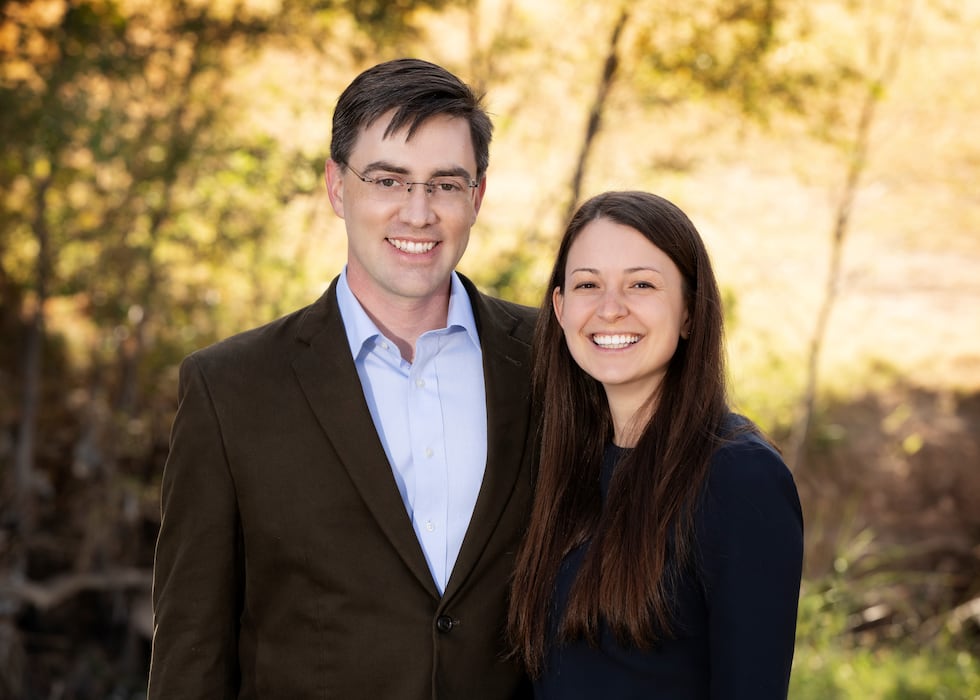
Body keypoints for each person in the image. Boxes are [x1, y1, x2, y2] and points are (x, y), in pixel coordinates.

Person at [148, 58, 537, 699]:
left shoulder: (550, 362)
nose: (418, 213)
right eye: (388, 179)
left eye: (445, 184)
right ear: (336, 187)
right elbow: (192, 648)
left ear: (478, 197)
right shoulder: (230, 390)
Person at [508, 191, 804, 699]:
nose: (611, 309)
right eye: (587, 285)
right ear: (559, 309)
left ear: (690, 312)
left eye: (641, 284)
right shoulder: (562, 463)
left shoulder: (739, 477)